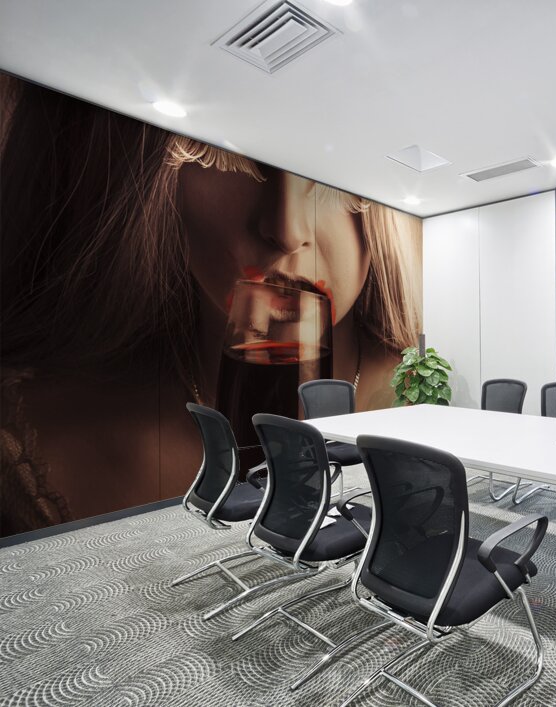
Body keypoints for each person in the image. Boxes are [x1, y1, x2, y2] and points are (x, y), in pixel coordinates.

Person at [0, 75, 422, 536]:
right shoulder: (39, 439)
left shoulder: (416, 390)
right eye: (233, 156)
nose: (286, 228)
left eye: (333, 176)